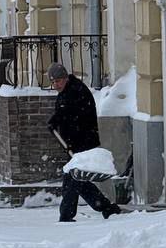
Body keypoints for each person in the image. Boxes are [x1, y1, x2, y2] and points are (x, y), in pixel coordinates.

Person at [47, 61, 119, 223]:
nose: (55, 85)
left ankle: (66, 216)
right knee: (78, 180)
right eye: (52, 82)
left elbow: (72, 117)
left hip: (82, 142)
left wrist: (61, 128)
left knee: (71, 180)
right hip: (76, 143)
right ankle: (106, 207)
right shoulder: (68, 91)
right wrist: (55, 121)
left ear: (65, 78)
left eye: (57, 81)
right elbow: (62, 113)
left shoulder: (75, 91)